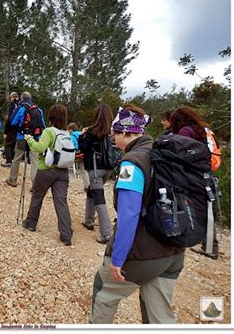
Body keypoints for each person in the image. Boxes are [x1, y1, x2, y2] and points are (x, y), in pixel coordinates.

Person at [90, 104, 186, 324]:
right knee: (159, 315)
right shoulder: (162, 153)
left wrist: (117, 259)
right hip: (174, 249)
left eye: (115, 132)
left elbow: (129, 215)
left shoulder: (131, 163)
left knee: (103, 290)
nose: (112, 137)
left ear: (127, 132)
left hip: (143, 254)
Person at [21, 104, 73, 246]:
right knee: (61, 201)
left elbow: (39, 148)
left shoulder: (49, 131)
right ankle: (66, 234)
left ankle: (31, 223)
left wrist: (29, 139)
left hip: (46, 170)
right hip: (63, 171)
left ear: (51, 116)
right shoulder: (66, 133)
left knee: (38, 195)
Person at [171, 106, 219, 260]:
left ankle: (185, 236)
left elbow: (179, 153)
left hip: (192, 173)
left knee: (189, 205)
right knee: (207, 207)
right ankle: (211, 245)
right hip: (206, 172)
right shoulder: (202, 129)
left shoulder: (185, 131)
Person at [79, 104, 114, 244]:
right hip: (108, 168)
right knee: (91, 191)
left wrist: (81, 136)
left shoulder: (92, 131)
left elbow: (83, 148)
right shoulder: (112, 132)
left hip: (95, 169)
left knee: (99, 199)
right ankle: (88, 220)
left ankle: (106, 233)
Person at [5, 91, 45, 189]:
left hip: (21, 137)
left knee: (17, 158)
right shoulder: (38, 109)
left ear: (22, 98)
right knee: (35, 160)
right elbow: (43, 125)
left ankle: (12, 179)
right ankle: (35, 185)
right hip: (35, 138)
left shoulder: (21, 108)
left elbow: (13, 121)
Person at [1, 92, 20, 167]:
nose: (10, 99)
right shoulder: (20, 104)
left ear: (13, 97)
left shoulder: (12, 105)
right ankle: (11, 159)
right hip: (18, 128)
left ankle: (8, 161)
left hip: (11, 127)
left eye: (10, 97)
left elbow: (9, 119)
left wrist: (6, 131)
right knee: (13, 144)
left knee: (8, 144)